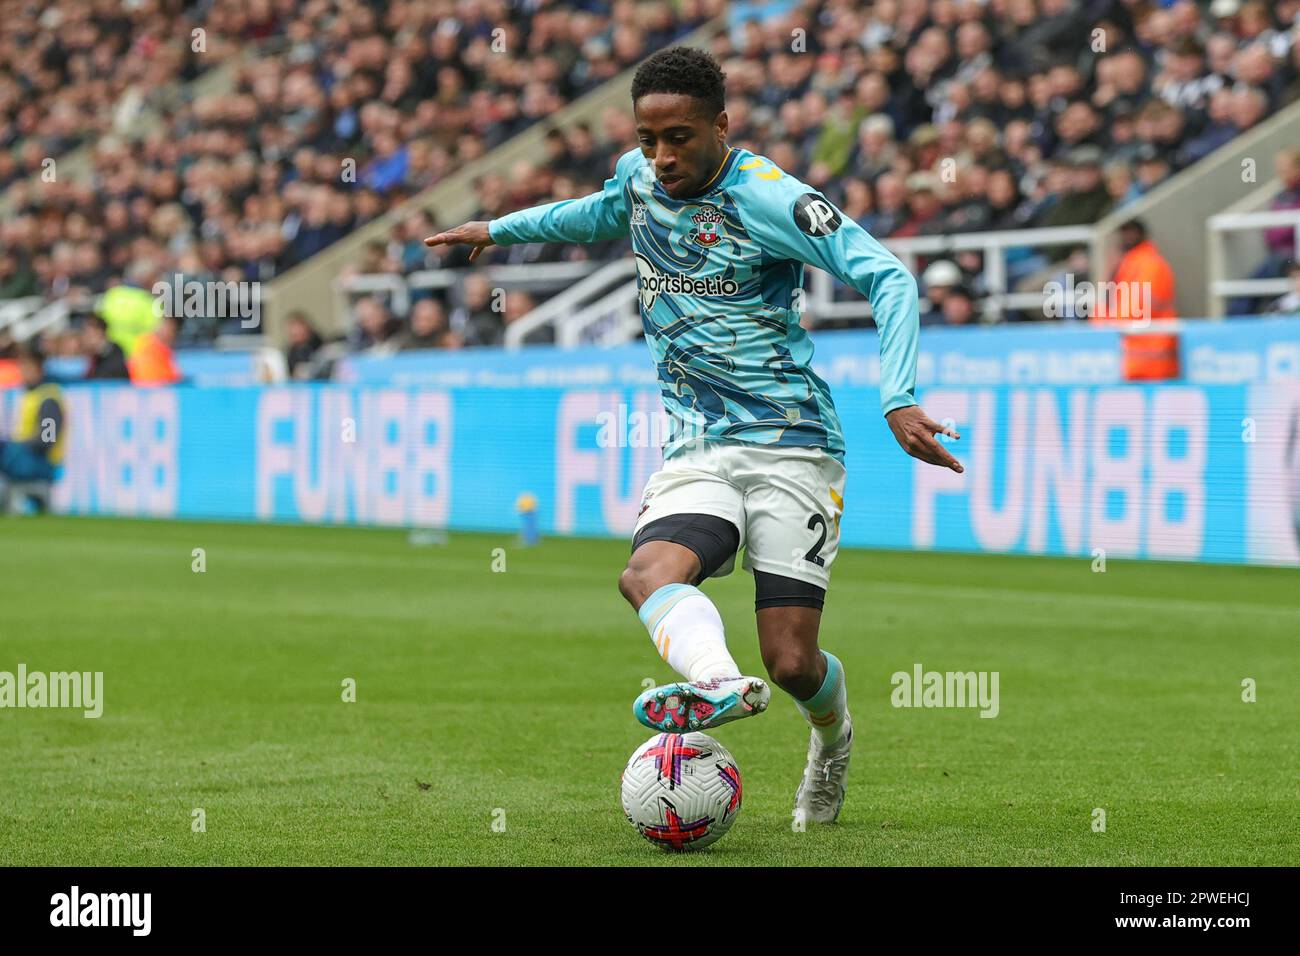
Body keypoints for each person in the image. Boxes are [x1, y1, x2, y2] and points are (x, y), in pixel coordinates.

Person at [426, 47, 961, 827]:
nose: (661, 156)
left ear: (720, 125)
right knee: (646, 573)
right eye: (647, 139)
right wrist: (499, 229)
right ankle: (713, 681)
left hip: (791, 444)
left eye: (678, 137)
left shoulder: (771, 198)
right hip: (699, 444)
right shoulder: (639, 178)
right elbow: (595, 211)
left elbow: (888, 276)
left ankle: (833, 736)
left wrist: (899, 396)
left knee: (790, 660)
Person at [0, 349, 65, 508]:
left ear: (38, 369)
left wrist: (17, 445)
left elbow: (47, 439)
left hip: (41, 462)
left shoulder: (49, 399)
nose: (22, 373)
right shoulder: (32, 395)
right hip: (27, 456)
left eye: (26, 368)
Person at [1092, 219, 1177, 323]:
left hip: (1149, 336)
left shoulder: (1151, 263)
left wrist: (1112, 324)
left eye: (1131, 232)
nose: (1126, 237)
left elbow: (1145, 303)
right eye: (1124, 233)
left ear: (1140, 234)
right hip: (1129, 333)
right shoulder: (1127, 263)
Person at [82, 315, 130, 381]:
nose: (85, 337)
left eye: (88, 333)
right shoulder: (91, 355)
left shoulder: (115, 353)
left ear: (100, 332)